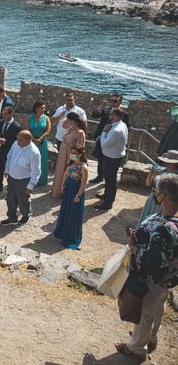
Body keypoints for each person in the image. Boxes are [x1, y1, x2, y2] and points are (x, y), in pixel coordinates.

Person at [116, 173, 178, 361]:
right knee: (156, 309)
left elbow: (153, 263)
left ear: (163, 196)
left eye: (155, 190)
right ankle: (149, 338)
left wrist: (133, 247)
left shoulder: (163, 228)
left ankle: (136, 348)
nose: (153, 193)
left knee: (145, 314)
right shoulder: (170, 219)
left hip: (152, 282)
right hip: (167, 280)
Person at [0, 131, 41, 226]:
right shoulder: (16, 144)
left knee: (23, 200)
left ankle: (26, 215)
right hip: (11, 177)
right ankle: (12, 217)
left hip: (23, 180)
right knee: (10, 199)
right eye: (17, 138)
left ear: (28, 140)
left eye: (20, 140)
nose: (17, 142)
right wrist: (7, 170)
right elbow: (9, 156)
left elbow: (36, 172)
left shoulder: (34, 153)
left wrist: (30, 186)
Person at [53, 146, 88, 249]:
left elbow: (84, 184)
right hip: (68, 190)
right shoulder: (71, 163)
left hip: (76, 191)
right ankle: (62, 231)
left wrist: (78, 195)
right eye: (71, 152)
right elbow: (65, 174)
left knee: (73, 213)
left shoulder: (83, 167)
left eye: (74, 153)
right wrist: (62, 185)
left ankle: (71, 236)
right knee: (66, 210)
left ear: (80, 154)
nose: (71, 154)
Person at [90, 93, 130, 184]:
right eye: (112, 100)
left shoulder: (124, 114)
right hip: (101, 139)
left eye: (115, 101)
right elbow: (94, 115)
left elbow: (127, 128)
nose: (113, 103)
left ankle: (108, 182)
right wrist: (101, 106)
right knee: (101, 159)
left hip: (113, 142)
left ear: (120, 102)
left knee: (109, 163)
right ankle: (100, 176)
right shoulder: (106, 110)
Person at [95, 108, 129, 210]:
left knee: (110, 180)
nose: (109, 116)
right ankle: (107, 195)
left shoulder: (116, 130)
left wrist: (104, 133)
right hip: (114, 156)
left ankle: (108, 203)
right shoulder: (122, 125)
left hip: (112, 158)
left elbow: (104, 145)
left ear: (115, 116)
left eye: (110, 114)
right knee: (109, 178)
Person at [52, 112, 86, 199]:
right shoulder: (69, 128)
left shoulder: (80, 132)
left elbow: (79, 148)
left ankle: (64, 192)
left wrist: (73, 161)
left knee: (66, 173)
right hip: (63, 154)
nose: (67, 121)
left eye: (69, 119)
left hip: (69, 156)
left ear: (74, 121)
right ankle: (57, 190)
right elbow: (63, 125)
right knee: (60, 171)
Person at [139, 151, 178, 225]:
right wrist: (151, 173)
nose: (167, 163)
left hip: (166, 202)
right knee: (146, 222)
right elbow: (147, 184)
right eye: (166, 161)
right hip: (153, 199)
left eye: (170, 162)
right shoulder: (160, 170)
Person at [0, 106, 21, 191]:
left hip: (10, 152)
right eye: (2, 114)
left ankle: (10, 189)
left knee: (9, 171)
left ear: (11, 114)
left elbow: (18, 141)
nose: (3, 116)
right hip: (0, 151)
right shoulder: (0, 123)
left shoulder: (16, 126)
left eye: (5, 114)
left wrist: (6, 142)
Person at [25, 100, 51, 187]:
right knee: (30, 160)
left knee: (41, 160)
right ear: (36, 108)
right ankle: (29, 179)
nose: (44, 109)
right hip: (31, 142)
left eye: (44, 108)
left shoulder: (46, 118)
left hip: (42, 142)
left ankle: (40, 180)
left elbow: (47, 131)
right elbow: (27, 130)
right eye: (42, 108)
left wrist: (39, 139)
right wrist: (33, 139)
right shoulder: (29, 118)